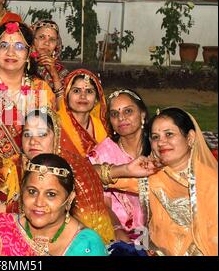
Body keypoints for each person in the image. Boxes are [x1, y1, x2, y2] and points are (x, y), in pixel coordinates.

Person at [99, 107, 218, 256]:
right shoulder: (152, 175)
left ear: (190, 138)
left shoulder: (211, 182)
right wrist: (125, 170)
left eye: (169, 134)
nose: (161, 142)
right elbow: (81, 176)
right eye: (155, 137)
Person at [0, 108, 114, 243]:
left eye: (42, 134)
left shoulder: (74, 172)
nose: (33, 141)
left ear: (57, 136)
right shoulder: (10, 169)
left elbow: (86, 229)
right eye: (27, 134)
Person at [0, 154, 108, 256]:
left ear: (69, 199)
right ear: (22, 191)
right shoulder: (2, 232)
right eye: (32, 191)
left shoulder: (87, 245)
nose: (39, 202)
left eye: (51, 194)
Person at [0, 21, 55, 160]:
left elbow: (50, 137)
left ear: (29, 53)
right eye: (3, 46)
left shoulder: (40, 89)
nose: (10, 52)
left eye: (19, 46)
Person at [88, 89, 147, 242]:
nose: (121, 118)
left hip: (159, 227)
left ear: (142, 114)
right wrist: (117, 229)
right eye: (114, 114)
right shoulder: (102, 154)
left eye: (128, 111)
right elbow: (103, 202)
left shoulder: (157, 146)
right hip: (121, 229)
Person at [58, 69, 108, 157]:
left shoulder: (102, 127)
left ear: (96, 99)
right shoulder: (56, 123)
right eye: (76, 91)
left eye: (89, 91)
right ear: (66, 95)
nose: (83, 96)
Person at [30, 20, 70, 94]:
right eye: (41, 37)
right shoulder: (20, 65)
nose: (47, 43)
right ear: (32, 40)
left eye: (52, 39)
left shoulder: (62, 72)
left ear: (56, 44)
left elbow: (65, 104)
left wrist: (54, 75)